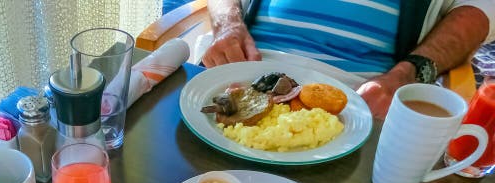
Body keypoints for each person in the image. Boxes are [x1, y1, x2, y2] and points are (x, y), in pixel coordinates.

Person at [203, 0, 495, 118]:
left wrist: (406, 75)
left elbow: (476, 13)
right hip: (243, 74)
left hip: (357, 99)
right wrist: (228, 25)